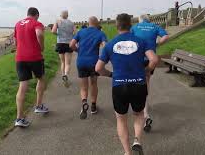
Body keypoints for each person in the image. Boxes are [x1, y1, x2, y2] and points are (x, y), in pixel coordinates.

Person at [96, 13, 158, 155]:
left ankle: (127, 152)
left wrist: (110, 74)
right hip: (139, 84)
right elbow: (154, 60)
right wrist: (147, 71)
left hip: (119, 86)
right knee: (138, 114)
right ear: (131, 25)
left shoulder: (110, 45)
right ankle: (137, 140)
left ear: (117, 26)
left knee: (121, 118)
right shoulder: (141, 42)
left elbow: (98, 68)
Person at [131, 14, 169, 132]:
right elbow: (166, 36)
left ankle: (142, 111)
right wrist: (157, 44)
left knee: (135, 82)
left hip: (137, 59)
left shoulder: (135, 27)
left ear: (140, 20)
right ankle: (145, 111)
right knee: (146, 83)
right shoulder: (154, 26)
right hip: (150, 59)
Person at [13, 7, 49, 127]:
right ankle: (38, 106)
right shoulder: (37, 23)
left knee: (22, 85)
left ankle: (19, 118)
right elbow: (39, 33)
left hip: (20, 58)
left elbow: (15, 42)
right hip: (34, 57)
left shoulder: (18, 24)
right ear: (37, 15)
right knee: (41, 79)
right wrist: (42, 46)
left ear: (27, 14)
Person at [70, 16, 107, 120]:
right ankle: (93, 106)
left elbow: (71, 45)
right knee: (94, 84)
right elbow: (105, 46)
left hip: (81, 62)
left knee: (83, 86)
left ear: (88, 23)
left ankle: (84, 102)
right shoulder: (100, 33)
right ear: (97, 24)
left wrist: (78, 51)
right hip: (94, 63)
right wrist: (103, 58)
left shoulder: (81, 32)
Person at [51, 10, 75, 87]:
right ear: (67, 15)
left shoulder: (58, 21)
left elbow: (53, 31)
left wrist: (59, 34)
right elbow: (75, 32)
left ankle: (62, 75)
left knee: (62, 62)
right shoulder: (71, 23)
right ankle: (66, 75)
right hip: (68, 43)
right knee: (68, 63)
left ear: (61, 15)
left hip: (60, 43)